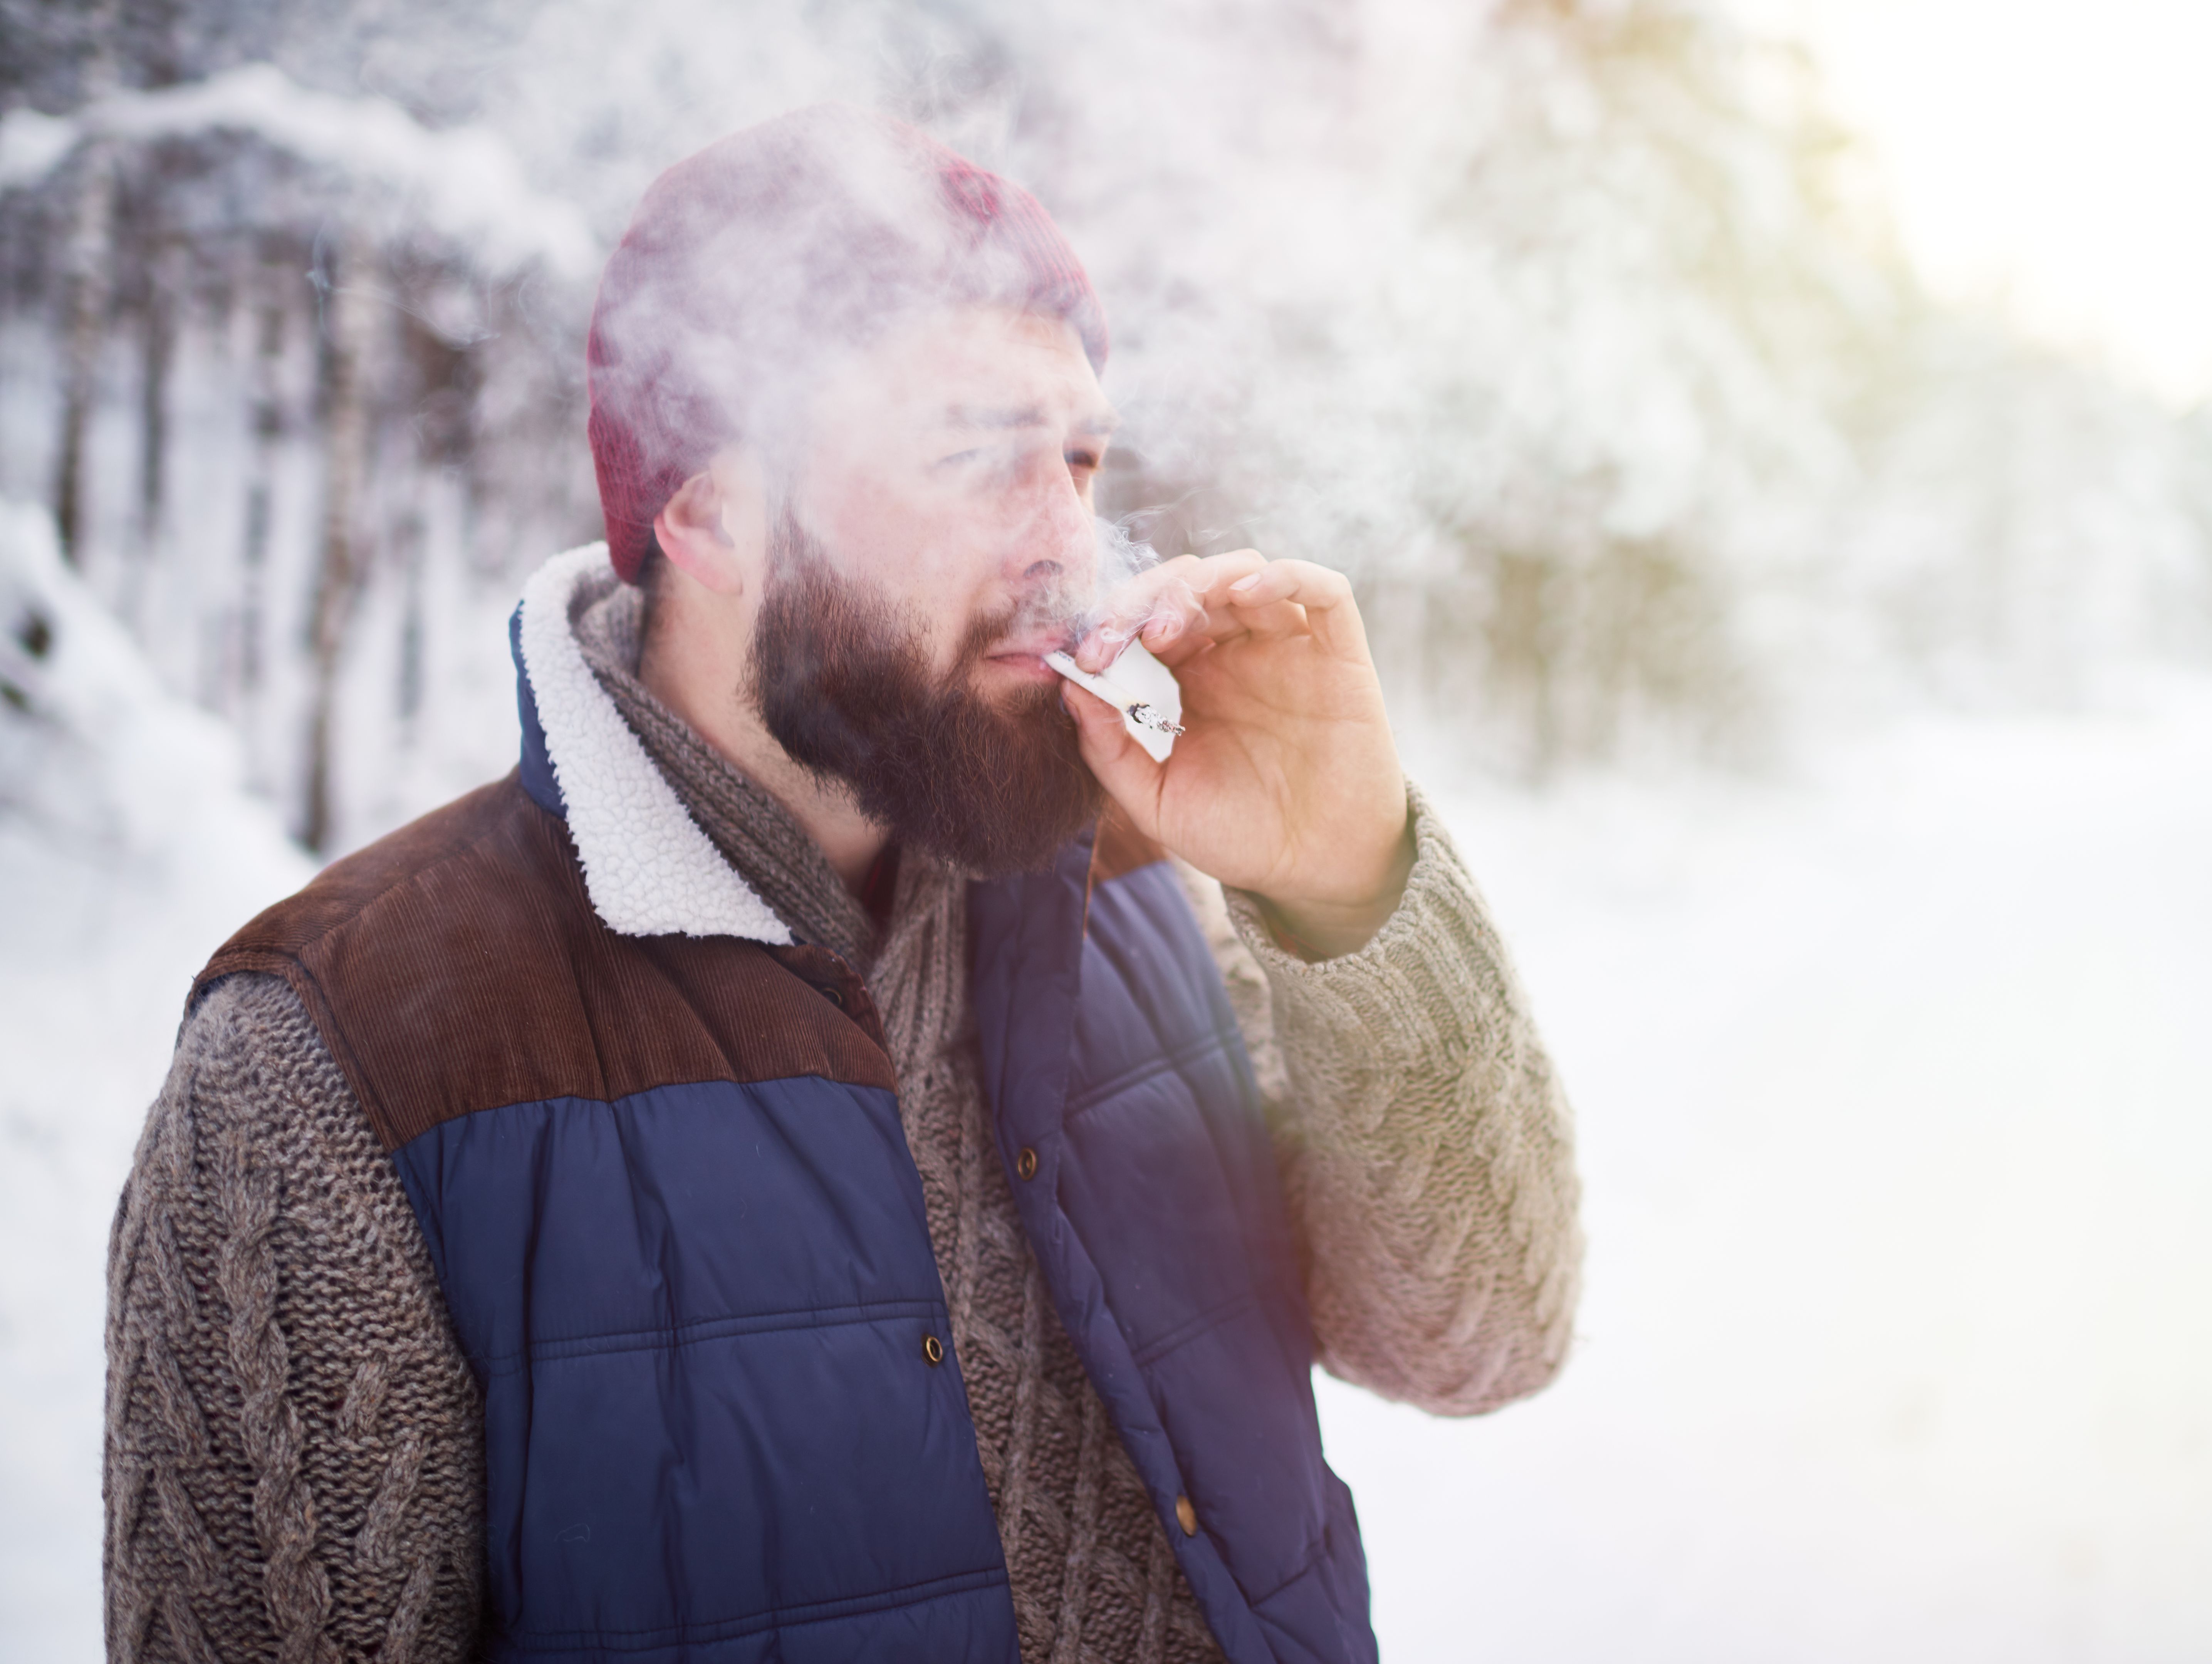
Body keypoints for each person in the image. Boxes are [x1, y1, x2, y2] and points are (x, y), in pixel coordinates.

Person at [101, 106, 1580, 1664]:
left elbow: (1476, 1342)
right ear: (705, 509)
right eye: (971, 458)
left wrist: (1350, 886)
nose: (1068, 549)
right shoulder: (338, 1067)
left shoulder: (1152, 888)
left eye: (1078, 459)